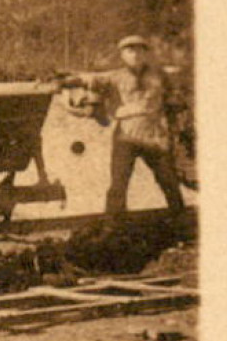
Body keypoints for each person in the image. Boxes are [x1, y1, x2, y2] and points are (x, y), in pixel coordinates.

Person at [65, 35, 187, 216]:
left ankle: (180, 223)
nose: (135, 54)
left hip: (154, 136)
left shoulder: (160, 76)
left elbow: (174, 105)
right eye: (130, 50)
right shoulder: (114, 77)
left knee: (168, 180)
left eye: (140, 50)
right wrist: (61, 81)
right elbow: (86, 80)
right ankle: (114, 227)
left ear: (146, 53)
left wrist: (176, 132)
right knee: (118, 185)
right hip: (126, 137)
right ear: (122, 55)